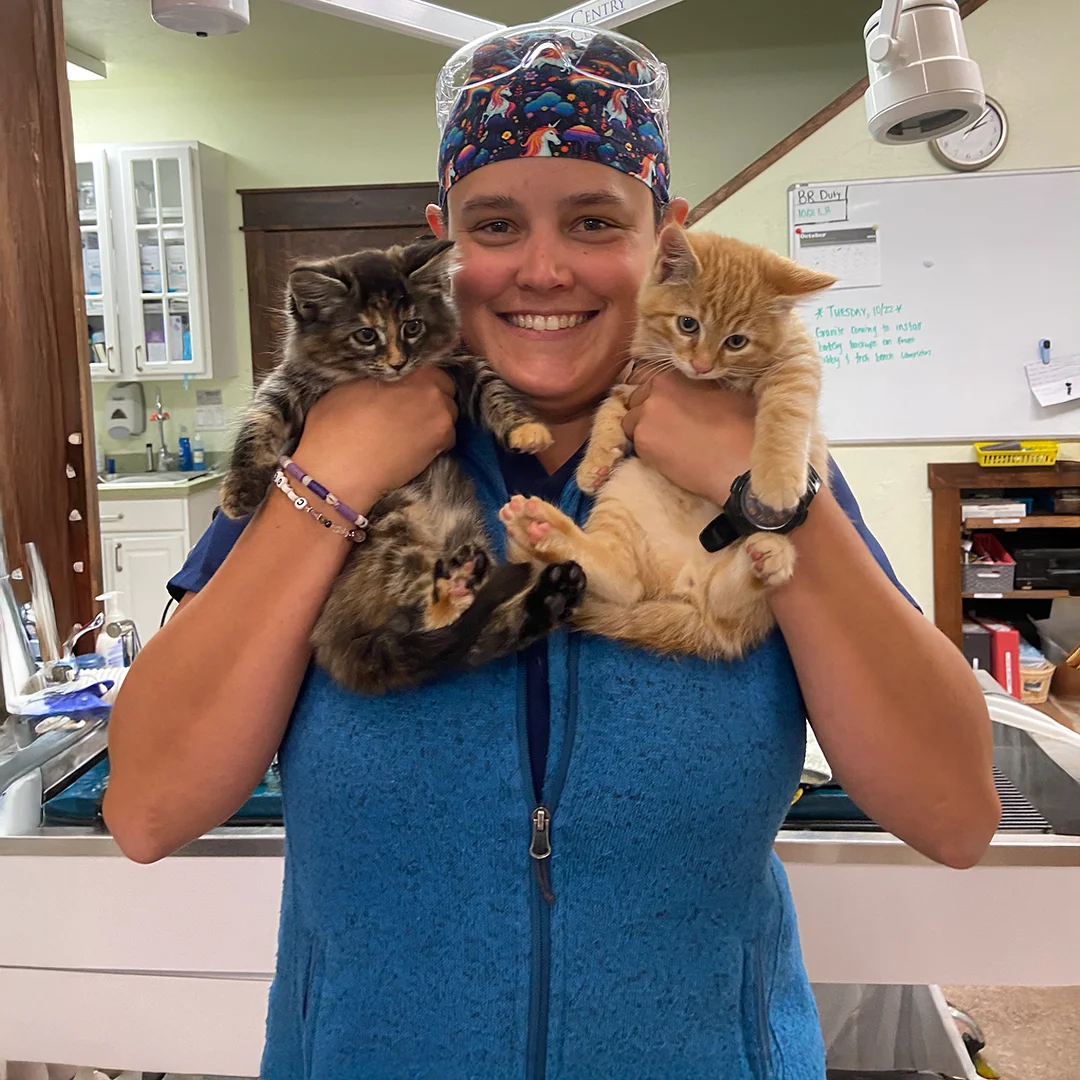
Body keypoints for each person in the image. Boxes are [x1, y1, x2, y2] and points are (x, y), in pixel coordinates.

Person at [104, 23, 999, 1079]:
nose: (543, 268)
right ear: (444, 240)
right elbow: (150, 808)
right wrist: (330, 483)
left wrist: (772, 501)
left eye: (592, 220)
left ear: (663, 237)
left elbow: (952, 814)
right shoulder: (325, 453)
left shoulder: (764, 455)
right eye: (495, 224)